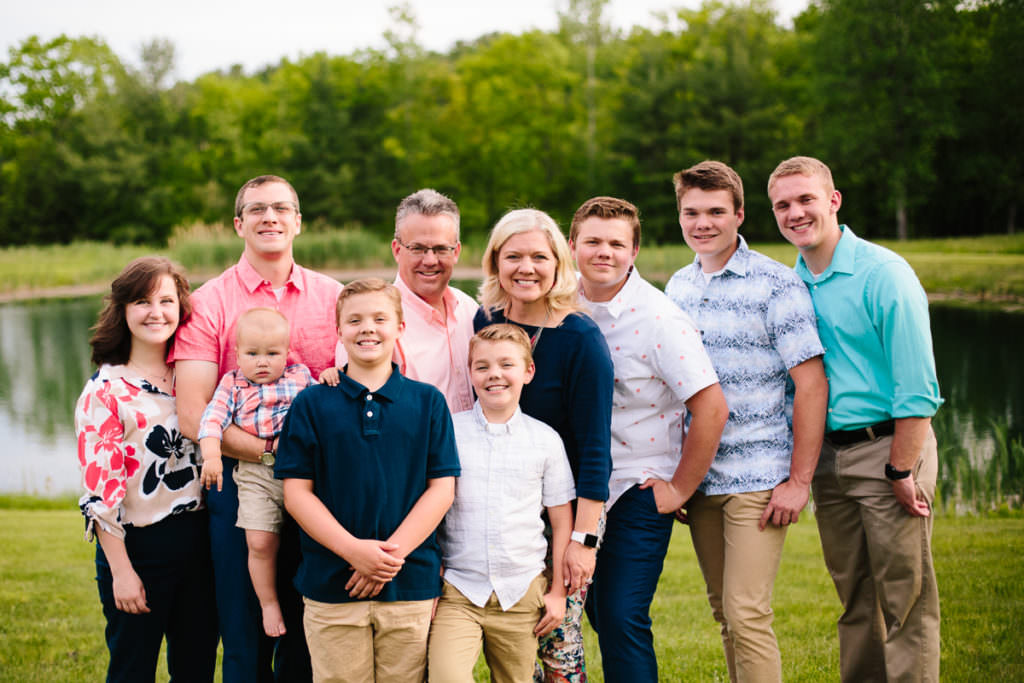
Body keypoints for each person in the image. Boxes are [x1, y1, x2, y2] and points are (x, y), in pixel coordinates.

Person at [768, 156, 943, 682]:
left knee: (904, 597)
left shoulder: (884, 275)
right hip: (828, 458)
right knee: (855, 597)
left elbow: (918, 391)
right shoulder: (793, 283)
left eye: (806, 200)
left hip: (888, 451)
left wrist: (899, 468)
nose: (795, 213)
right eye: (783, 205)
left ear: (834, 201)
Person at [171, 175, 342, 681]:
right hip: (240, 484)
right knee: (245, 630)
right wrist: (271, 454)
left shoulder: (332, 297)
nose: (271, 217)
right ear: (238, 223)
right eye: (258, 209)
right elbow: (194, 413)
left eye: (281, 208)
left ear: (298, 221)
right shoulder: (209, 302)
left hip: (323, 485)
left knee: (309, 630)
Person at [665, 161, 828, 683]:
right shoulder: (677, 287)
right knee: (725, 614)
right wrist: (679, 478)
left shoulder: (776, 285)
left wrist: (799, 481)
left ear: (739, 213)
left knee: (747, 613)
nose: (703, 223)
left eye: (716, 211)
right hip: (701, 480)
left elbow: (811, 384)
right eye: (692, 212)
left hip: (759, 478)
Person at [569, 196, 729, 682]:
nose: (604, 252)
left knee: (621, 616)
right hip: (570, 491)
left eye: (616, 243)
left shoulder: (659, 318)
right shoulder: (558, 305)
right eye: (592, 241)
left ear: (634, 251)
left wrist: (679, 489)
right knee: (595, 613)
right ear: (572, 245)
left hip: (634, 490)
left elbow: (711, 407)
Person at [276, 278, 460, 682]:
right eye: (354, 320)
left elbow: (441, 488)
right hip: (331, 586)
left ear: (399, 326)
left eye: (380, 318)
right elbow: (296, 493)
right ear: (338, 330)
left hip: (408, 583)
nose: (368, 328)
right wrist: (354, 552)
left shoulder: (428, 402)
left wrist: (386, 560)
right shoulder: (311, 404)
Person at [475, 208, 614, 682]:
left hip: (566, 514)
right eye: (513, 256)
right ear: (496, 262)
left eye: (539, 256)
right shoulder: (487, 320)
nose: (526, 267)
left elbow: (596, 448)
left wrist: (583, 541)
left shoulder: (581, 338)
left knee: (557, 640)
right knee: (510, 645)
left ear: (558, 263)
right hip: (501, 507)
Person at [74, 256, 218, 682]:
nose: (156, 312)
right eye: (142, 301)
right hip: (137, 548)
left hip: (199, 541)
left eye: (166, 300)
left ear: (181, 307)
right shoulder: (106, 391)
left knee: (196, 668)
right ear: (122, 310)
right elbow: (100, 495)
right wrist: (122, 572)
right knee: (132, 669)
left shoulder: (193, 376)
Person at [428, 324, 577, 683]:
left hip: (521, 591)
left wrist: (557, 593)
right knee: (446, 677)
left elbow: (560, 523)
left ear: (528, 372)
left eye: (506, 364)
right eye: (482, 366)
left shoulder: (545, 440)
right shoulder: (449, 431)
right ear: (471, 374)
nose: (494, 374)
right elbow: (430, 509)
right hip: (458, 590)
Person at [197, 307, 315, 638]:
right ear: (236, 354)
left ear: (287, 352)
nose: (262, 362)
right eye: (252, 353)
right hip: (255, 474)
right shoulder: (231, 384)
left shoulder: (301, 377)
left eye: (272, 353)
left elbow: (324, 407)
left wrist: (334, 376)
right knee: (260, 541)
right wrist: (212, 457)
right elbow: (211, 421)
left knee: (311, 538)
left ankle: (314, 602)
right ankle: (268, 603)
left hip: (302, 473)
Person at [328, 188, 476, 411]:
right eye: (417, 248)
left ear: (456, 252)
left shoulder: (470, 309)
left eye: (440, 249)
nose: (429, 260)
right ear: (397, 250)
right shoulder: (370, 325)